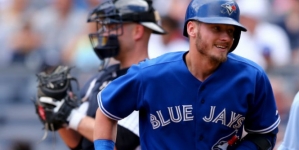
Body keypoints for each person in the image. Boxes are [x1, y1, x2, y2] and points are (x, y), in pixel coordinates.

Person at [94, 0, 280, 149]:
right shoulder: (150, 74)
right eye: (216, 28)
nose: (226, 37)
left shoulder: (251, 77)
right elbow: (106, 112)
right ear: (192, 29)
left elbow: (264, 134)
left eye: (231, 31)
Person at [34, 0, 166, 150]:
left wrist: (70, 115)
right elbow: (77, 143)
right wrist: (58, 116)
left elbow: (123, 141)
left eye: (112, 26)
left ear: (137, 31)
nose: (105, 33)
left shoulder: (150, 79)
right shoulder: (100, 78)